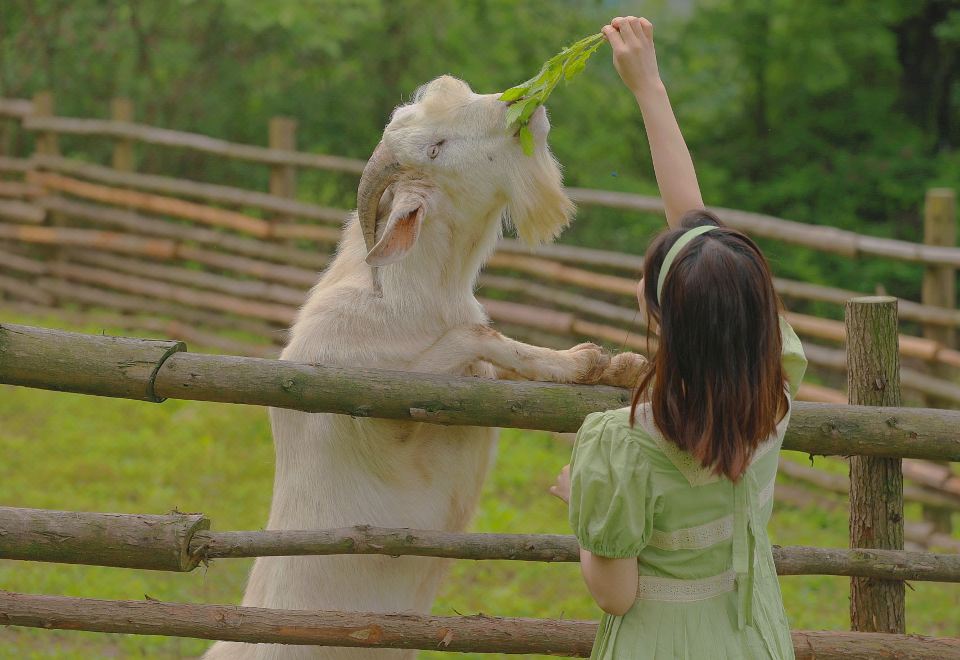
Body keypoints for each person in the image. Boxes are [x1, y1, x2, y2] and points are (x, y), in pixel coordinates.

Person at [548, 15, 808, 660]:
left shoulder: (625, 442)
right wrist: (649, 88)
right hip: (752, 637)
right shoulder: (775, 387)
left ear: (666, 318)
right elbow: (695, 230)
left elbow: (614, 593)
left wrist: (580, 498)